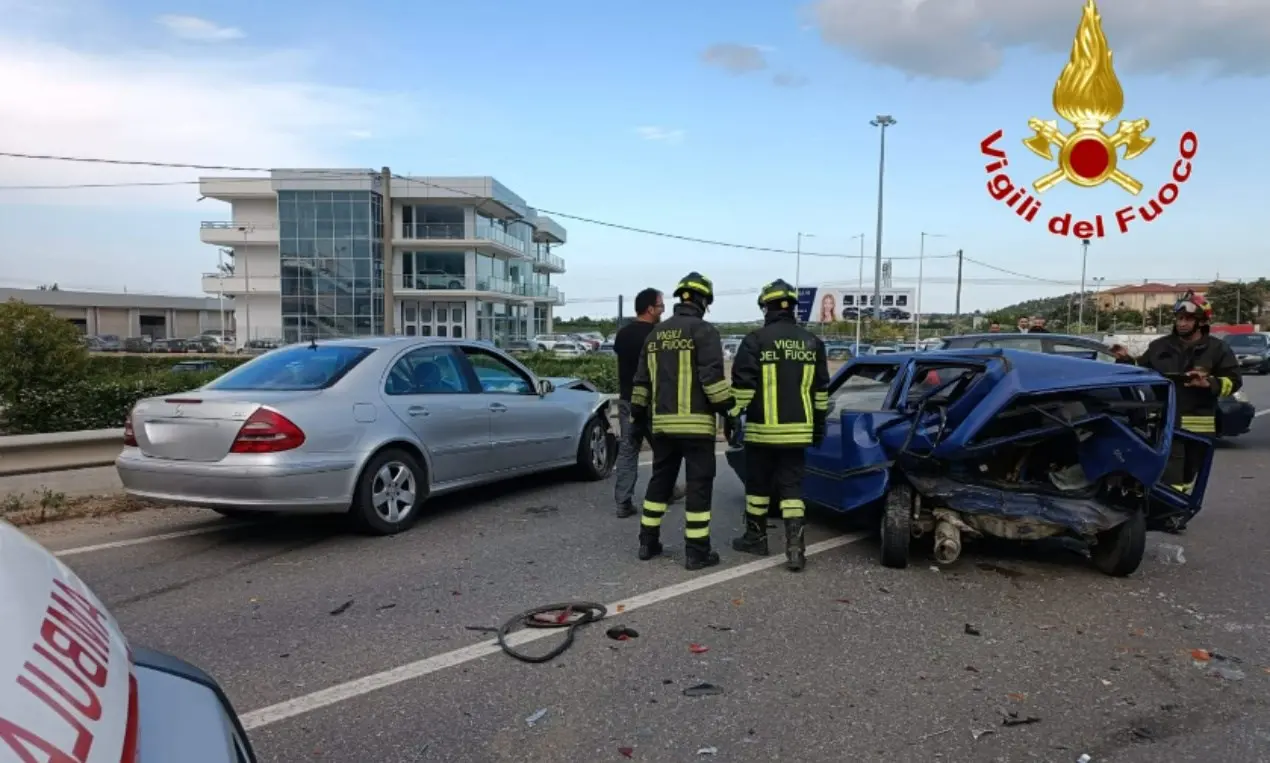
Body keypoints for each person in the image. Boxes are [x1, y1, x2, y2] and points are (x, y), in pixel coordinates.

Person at [630, 272, 732, 570]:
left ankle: (647, 543)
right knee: (699, 487)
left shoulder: (655, 335)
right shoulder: (704, 331)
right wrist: (729, 409)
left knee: (660, 481)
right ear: (703, 301)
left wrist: (638, 414)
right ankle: (696, 553)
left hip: (661, 425)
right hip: (696, 426)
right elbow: (712, 380)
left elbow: (641, 382)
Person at [728, 279, 830, 571]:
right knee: (792, 490)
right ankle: (795, 548)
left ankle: (755, 538)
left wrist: (732, 417)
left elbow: (743, 388)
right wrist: (818, 425)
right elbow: (821, 392)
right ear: (793, 308)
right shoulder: (813, 343)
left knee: (758, 488)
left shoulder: (756, 340)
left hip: (762, 433)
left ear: (766, 307)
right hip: (798, 433)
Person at [1112, 291, 1240, 497]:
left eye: (1187, 319)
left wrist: (1209, 383)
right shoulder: (1159, 346)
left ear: (1201, 322)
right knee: (1171, 472)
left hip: (1199, 423)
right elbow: (1141, 371)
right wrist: (1125, 359)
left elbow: (1234, 381)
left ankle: (1178, 505)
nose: (1181, 323)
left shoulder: (1218, 349)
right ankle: (1168, 511)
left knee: (1189, 473)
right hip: (1167, 419)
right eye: (1179, 319)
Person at [612, 288, 685, 517]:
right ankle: (667, 492)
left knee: (628, 451)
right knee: (664, 451)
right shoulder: (658, 334)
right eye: (661, 306)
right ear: (650, 309)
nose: (663, 310)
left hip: (628, 402)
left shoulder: (622, 334)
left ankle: (623, 503)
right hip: (655, 402)